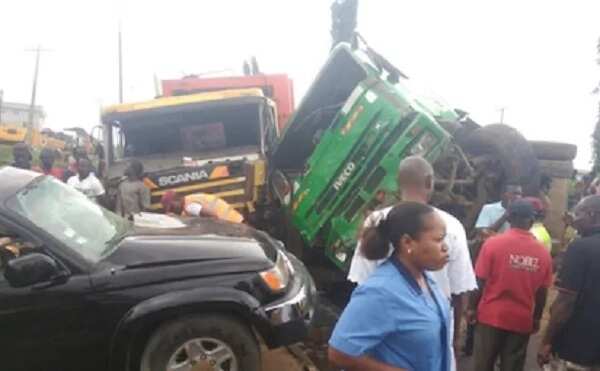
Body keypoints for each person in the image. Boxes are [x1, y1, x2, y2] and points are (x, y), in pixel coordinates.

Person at [348, 155, 476, 368]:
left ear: (398, 183)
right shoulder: (451, 226)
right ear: (429, 182)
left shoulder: (376, 222)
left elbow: (361, 284)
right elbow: (459, 291)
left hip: (384, 338)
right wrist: (452, 341)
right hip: (434, 336)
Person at [329, 202, 451, 371]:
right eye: (438, 239)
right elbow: (339, 353)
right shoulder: (380, 292)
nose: (445, 247)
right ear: (408, 242)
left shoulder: (425, 278)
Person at [468, 199, 553, 371]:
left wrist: (471, 308)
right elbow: (542, 292)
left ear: (509, 219)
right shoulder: (543, 253)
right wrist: (536, 318)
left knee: (482, 365)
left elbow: (480, 280)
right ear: (531, 220)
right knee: (512, 366)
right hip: (521, 320)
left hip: (490, 317)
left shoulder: (492, 244)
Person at [538, 195, 600, 370]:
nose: (574, 218)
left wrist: (546, 342)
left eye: (577, 213)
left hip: (577, 347)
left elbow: (565, 303)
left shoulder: (580, 249)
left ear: (592, 214)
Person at [160, 190, 244, 224]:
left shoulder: (190, 207)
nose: (173, 211)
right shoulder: (189, 200)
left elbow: (213, 216)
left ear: (177, 199)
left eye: (172, 207)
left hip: (232, 224)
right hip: (234, 220)